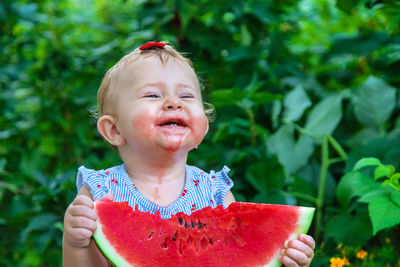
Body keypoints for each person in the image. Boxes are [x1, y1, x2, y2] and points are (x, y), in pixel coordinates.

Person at [62, 42, 315, 267]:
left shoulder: (213, 191)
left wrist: (286, 258)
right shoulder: (99, 193)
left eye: (187, 95)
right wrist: (76, 244)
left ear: (203, 127)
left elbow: (239, 259)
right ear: (114, 130)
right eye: (152, 95)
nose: (174, 102)